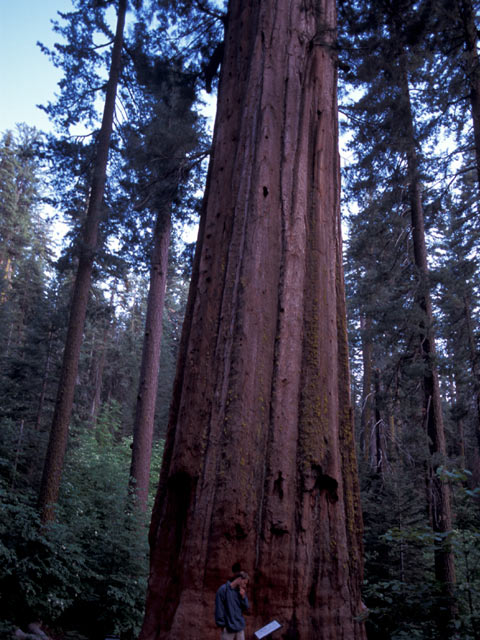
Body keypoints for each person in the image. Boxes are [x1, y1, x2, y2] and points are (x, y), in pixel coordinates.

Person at [215, 571, 250, 639]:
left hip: (240, 629)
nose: (245, 586)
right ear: (239, 579)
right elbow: (219, 609)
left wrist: (243, 598)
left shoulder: (240, 591)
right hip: (228, 628)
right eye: (244, 583)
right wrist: (222, 625)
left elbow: (246, 608)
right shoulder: (223, 590)